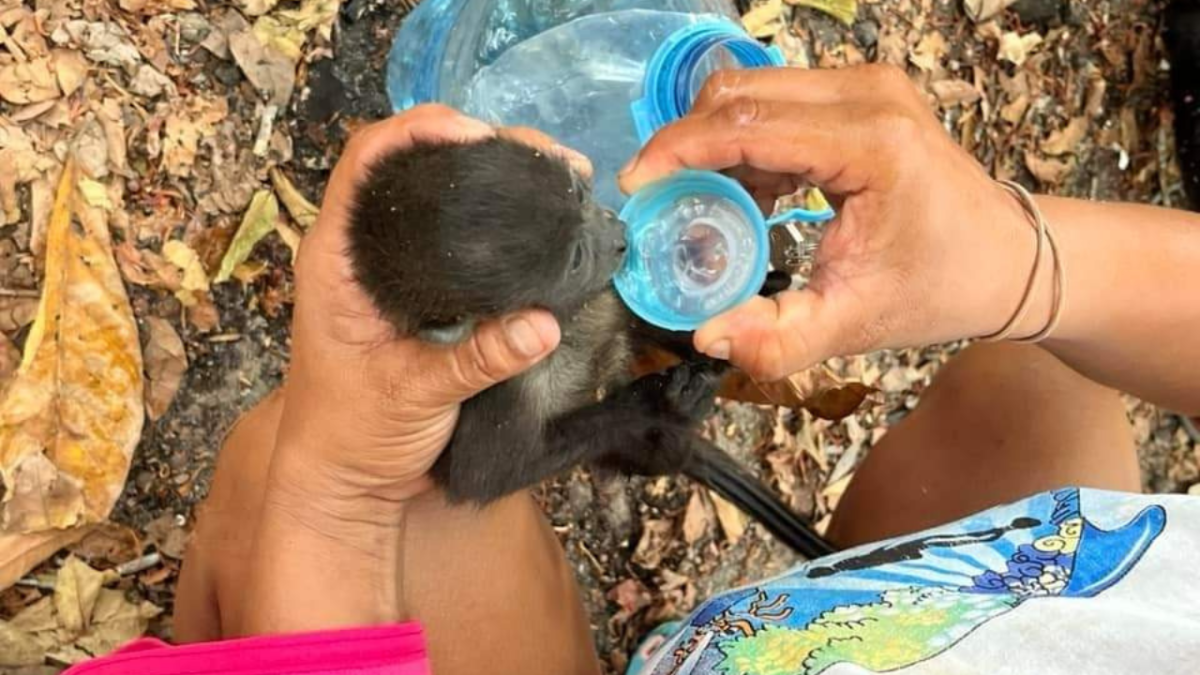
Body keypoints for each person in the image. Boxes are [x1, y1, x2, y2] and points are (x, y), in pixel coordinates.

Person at [67, 65, 1200, 675]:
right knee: (1050, 368)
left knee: (283, 464)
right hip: (1007, 609)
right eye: (581, 225)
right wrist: (1031, 261)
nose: (612, 241)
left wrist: (336, 492)